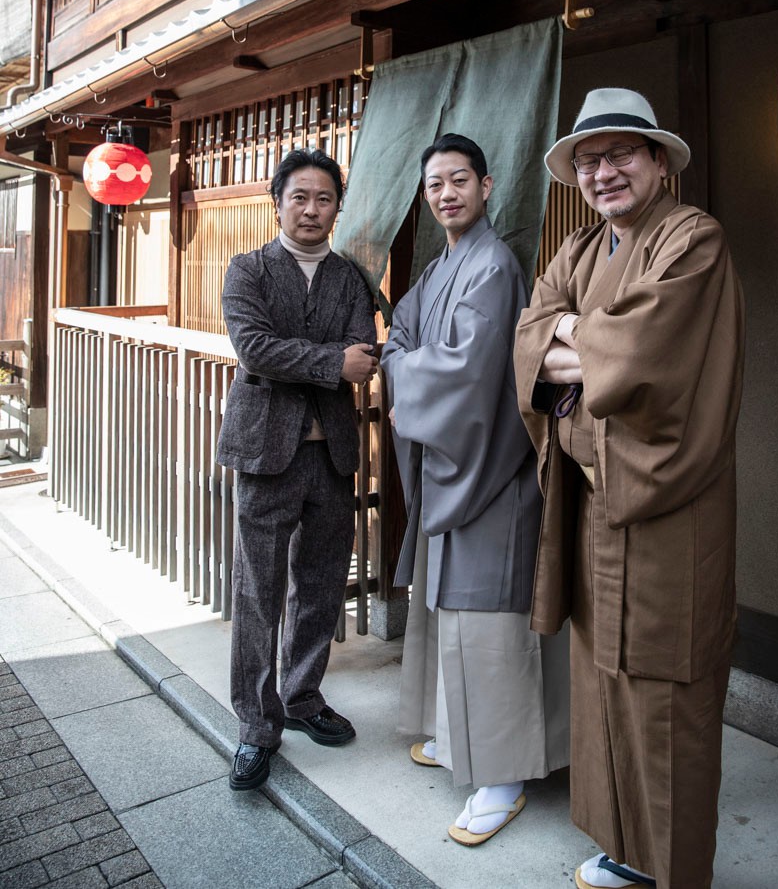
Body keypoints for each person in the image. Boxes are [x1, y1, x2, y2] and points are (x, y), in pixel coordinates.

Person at [514, 89, 745, 889]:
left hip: (665, 506)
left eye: (620, 154)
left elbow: (646, 350)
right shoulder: (579, 248)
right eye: (588, 159)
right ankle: (623, 845)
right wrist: (576, 334)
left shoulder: (694, 240)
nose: (603, 171)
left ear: (657, 162)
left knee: (663, 687)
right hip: (591, 503)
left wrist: (571, 334)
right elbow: (528, 332)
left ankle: (674, 869)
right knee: (601, 675)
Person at [381, 133, 569, 846]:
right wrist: (406, 362)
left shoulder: (492, 265)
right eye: (434, 184)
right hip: (452, 468)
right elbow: (400, 331)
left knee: (489, 629)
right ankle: (459, 739)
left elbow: (465, 370)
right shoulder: (441, 266)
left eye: (458, 179)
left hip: (490, 473)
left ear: (487, 187)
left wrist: (407, 374)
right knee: (447, 616)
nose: (446, 193)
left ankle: (504, 776)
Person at [217, 147, 378, 791]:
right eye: (299, 197)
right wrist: (329, 362)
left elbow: (361, 353)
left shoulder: (350, 278)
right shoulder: (247, 269)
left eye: (324, 199)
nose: (311, 209)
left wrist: (325, 360)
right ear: (277, 202)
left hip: (333, 453)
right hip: (265, 452)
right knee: (258, 589)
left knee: (319, 585)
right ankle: (257, 726)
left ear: (338, 208)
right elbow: (252, 346)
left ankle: (303, 696)